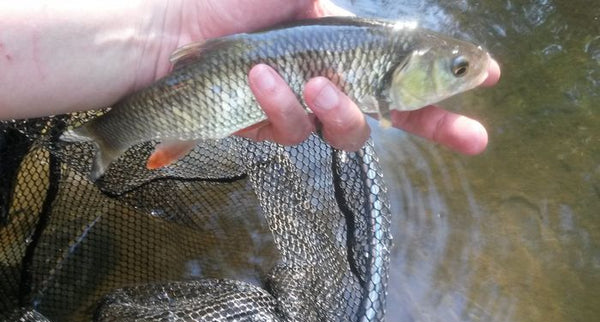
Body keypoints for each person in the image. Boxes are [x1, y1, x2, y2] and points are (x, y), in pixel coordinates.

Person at [0, 0, 500, 154]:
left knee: (201, 117)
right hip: (212, 67)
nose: (467, 75)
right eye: (458, 70)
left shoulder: (380, 47)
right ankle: (109, 137)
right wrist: (173, 24)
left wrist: (168, 24)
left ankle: (110, 137)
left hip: (209, 74)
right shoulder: (377, 50)